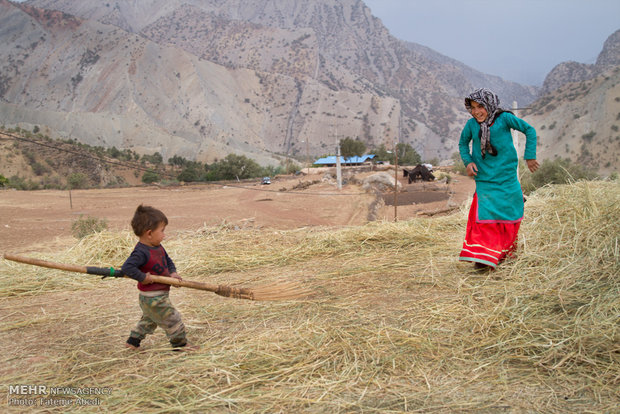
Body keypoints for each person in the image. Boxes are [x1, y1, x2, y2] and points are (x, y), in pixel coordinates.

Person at [458, 88, 539, 269]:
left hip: (507, 178)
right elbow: (463, 143)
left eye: (480, 106)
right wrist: (468, 162)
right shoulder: (471, 125)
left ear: (489, 104)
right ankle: (483, 258)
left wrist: (530, 155)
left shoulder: (504, 119)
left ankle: (503, 254)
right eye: (472, 107)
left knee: (509, 216)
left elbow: (529, 130)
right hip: (485, 180)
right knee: (484, 218)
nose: (476, 111)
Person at [122, 204, 197, 351]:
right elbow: (127, 268)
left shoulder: (157, 247)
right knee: (172, 319)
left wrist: (173, 273)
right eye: (162, 231)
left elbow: (167, 261)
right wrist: (142, 277)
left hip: (156, 296)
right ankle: (180, 345)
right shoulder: (140, 252)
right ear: (149, 233)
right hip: (152, 297)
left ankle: (132, 342)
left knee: (149, 320)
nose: (164, 235)